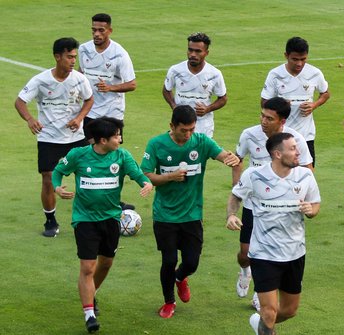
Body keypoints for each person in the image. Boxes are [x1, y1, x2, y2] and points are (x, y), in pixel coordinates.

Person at [52, 117, 153, 333]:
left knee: (106, 263)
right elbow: (58, 172)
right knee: (88, 267)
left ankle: (91, 292)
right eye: (116, 136)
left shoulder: (122, 156)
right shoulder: (78, 155)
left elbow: (138, 174)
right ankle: (89, 313)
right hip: (85, 219)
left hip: (110, 219)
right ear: (102, 140)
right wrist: (58, 188)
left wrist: (146, 183)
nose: (120, 139)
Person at [140, 105, 240, 318]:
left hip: (192, 214)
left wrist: (229, 158)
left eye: (191, 129)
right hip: (164, 215)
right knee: (168, 260)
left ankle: (180, 277)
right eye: (183, 130)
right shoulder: (157, 144)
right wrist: (169, 177)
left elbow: (221, 154)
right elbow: (146, 175)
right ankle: (169, 302)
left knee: (192, 262)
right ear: (172, 126)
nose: (188, 135)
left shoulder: (201, 142)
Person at [226, 132, 321, 335]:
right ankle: (266, 325)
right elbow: (235, 196)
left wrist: (311, 210)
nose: (298, 152)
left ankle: (259, 324)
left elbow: (315, 203)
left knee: (289, 310)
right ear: (277, 154)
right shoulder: (254, 175)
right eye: (293, 148)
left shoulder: (305, 176)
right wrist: (231, 215)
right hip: (263, 253)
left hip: (294, 253)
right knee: (268, 311)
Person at [231, 97, 313, 307]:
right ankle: (245, 271)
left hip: (282, 208)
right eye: (262, 115)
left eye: (269, 118)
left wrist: (303, 199)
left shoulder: (295, 141)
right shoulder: (249, 134)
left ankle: (262, 293)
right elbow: (237, 161)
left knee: (271, 252)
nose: (263, 121)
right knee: (245, 253)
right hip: (254, 205)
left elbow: (307, 170)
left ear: (282, 121)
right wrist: (238, 188)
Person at [15, 37, 93, 237]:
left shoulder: (79, 79)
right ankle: (50, 221)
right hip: (49, 138)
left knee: (88, 176)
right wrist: (30, 119)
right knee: (48, 179)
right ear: (58, 57)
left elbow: (89, 99)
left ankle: (90, 217)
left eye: (74, 57)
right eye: (69, 57)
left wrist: (80, 117)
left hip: (76, 137)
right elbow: (20, 102)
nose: (73, 61)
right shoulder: (40, 80)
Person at [79, 13, 137, 211]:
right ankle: (92, 196)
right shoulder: (84, 49)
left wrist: (110, 88)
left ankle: (113, 199)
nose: (96, 34)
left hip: (113, 114)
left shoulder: (120, 54)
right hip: (90, 112)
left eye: (101, 30)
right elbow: (81, 73)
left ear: (109, 31)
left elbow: (132, 84)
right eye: (94, 30)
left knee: (112, 158)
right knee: (92, 155)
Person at [261, 36, 330, 166]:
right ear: (286, 55)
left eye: (303, 59)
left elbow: (325, 93)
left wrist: (314, 105)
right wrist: (281, 105)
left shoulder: (315, 73)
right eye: (295, 59)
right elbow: (264, 103)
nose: (299, 64)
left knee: (306, 175)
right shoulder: (275, 75)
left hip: (306, 136)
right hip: (280, 136)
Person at [163, 32, 228, 138]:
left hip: (203, 126)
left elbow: (223, 98)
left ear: (206, 53)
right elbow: (166, 89)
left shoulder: (214, 74)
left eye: (198, 51)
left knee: (200, 154)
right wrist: (174, 106)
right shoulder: (175, 70)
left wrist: (208, 108)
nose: (193, 54)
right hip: (180, 125)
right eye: (190, 50)